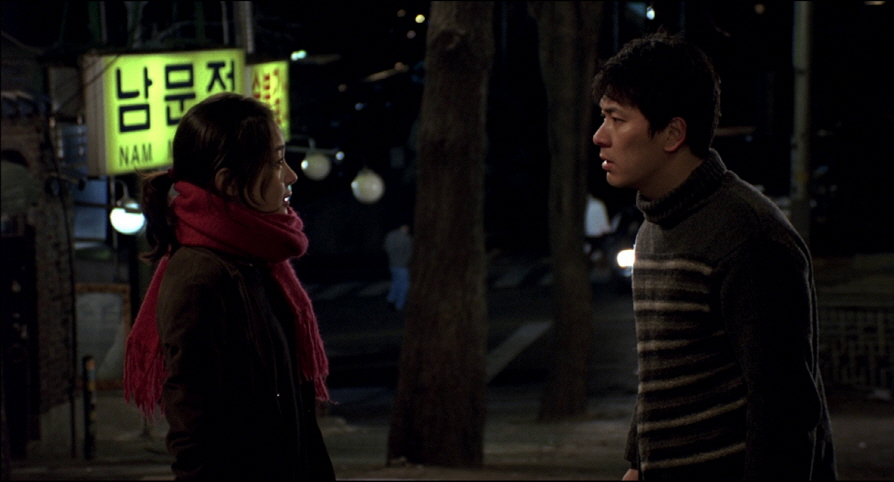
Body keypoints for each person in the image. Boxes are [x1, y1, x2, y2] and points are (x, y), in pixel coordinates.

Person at [591, 32, 836, 480]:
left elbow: (784, 409)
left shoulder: (748, 236)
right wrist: (638, 464)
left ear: (673, 133)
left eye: (616, 119)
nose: (599, 137)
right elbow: (663, 375)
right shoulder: (654, 228)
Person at [123, 92, 335, 480]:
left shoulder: (255, 259)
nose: (290, 176)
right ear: (229, 183)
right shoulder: (201, 280)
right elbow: (195, 436)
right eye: (276, 163)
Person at [383, 223, 413, 311]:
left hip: (392, 264)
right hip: (402, 266)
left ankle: (390, 299)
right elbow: (409, 252)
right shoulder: (406, 238)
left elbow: (385, 247)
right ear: (405, 227)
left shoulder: (390, 235)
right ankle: (399, 305)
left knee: (396, 283)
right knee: (404, 286)